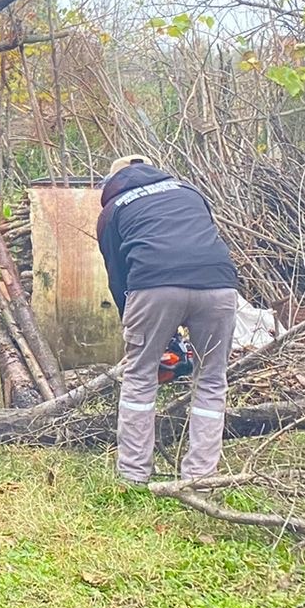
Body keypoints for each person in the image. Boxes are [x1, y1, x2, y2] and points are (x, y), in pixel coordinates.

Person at [96, 154, 241, 485]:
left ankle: (133, 476)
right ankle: (200, 477)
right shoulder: (190, 192)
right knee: (212, 380)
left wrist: (140, 333)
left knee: (140, 377)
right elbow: (198, 243)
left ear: (112, 183)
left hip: (152, 285)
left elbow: (119, 280)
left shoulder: (113, 210)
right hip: (219, 284)